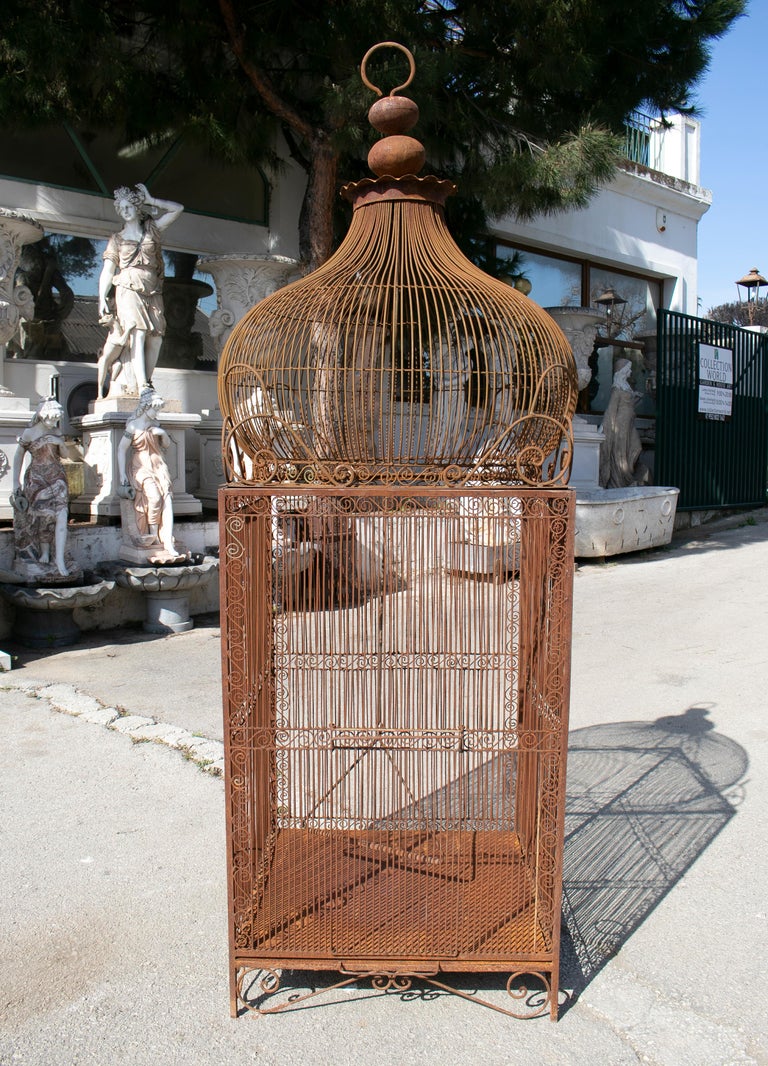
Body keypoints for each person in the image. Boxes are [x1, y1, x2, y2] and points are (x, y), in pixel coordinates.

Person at [97, 183, 183, 397]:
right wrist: (101, 297)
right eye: (121, 208)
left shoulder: (152, 230)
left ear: (137, 207)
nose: (125, 211)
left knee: (157, 337)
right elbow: (108, 270)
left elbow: (178, 209)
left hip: (153, 289)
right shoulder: (117, 239)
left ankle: (146, 381)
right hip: (127, 287)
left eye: (128, 206)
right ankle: (143, 385)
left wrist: (151, 200)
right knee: (138, 332)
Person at [10, 398, 71, 576]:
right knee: (44, 516)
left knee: (62, 515)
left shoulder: (56, 431)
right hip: (37, 479)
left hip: (57, 478)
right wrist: (15, 482)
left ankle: (59, 559)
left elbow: (65, 455)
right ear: (43, 415)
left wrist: (59, 443)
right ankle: (45, 551)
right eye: (51, 418)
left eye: (56, 419)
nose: (54, 422)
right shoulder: (29, 433)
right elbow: (18, 456)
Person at [117, 388, 176, 554]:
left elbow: (166, 445)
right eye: (155, 409)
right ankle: (153, 535)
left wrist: (162, 433)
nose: (156, 413)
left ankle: (167, 541)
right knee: (155, 497)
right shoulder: (133, 426)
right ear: (145, 407)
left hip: (158, 465)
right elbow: (121, 449)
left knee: (167, 500)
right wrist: (122, 473)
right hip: (141, 466)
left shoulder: (155, 425)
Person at [599, 358, 649, 488]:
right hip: (620, 425)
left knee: (636, 447)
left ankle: (627, 476)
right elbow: (611, 408)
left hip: (629, 423)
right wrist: (604, 426)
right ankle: (619, 480)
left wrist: (635, 397)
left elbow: (628, 405)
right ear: (623, 371)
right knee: (619, 452)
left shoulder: (625, 385)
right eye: (629, 369)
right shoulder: (617, 387)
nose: (631, 371)